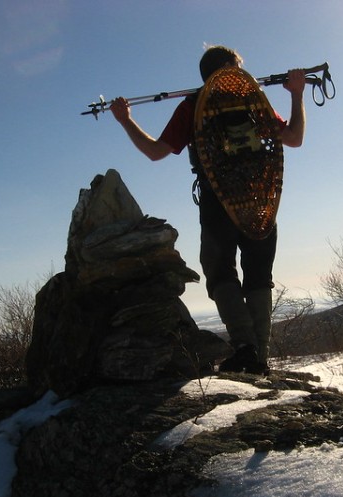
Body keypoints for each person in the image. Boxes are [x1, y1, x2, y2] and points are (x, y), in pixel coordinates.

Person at [110, 46, 306, 374]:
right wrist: (296, 94)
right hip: (260, 199)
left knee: (219, 272)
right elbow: (294, 138)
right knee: (259, 276)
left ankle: (245, 348)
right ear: (230, 67)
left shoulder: (194, 105)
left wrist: (125, 120)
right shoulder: (251, 100)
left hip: (218, 202)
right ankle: (259, 358)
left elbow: (155, 152)